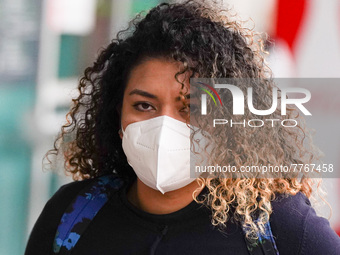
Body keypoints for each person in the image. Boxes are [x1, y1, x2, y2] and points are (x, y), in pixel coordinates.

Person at [25, 1, 340, 254]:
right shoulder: (72, 215)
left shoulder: (279, 229)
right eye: (144, 105)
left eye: (189, 109)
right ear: (116, 116)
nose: (164, 124)